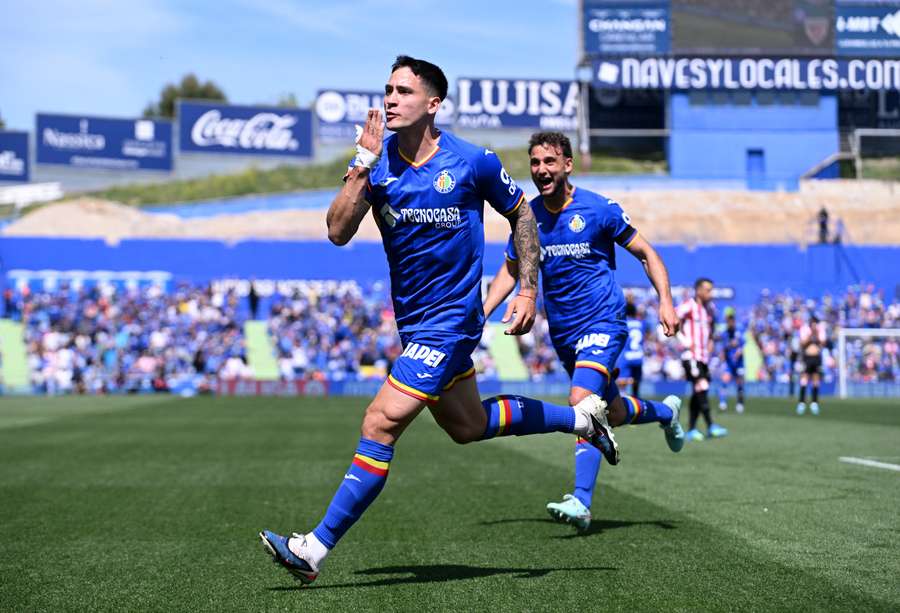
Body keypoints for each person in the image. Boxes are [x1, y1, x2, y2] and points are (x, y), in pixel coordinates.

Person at [258, 56, 617, 584]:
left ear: (433, 104)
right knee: (468, 427)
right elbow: (336, 230)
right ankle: (585, 418)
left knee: (379, 423)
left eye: (403, 90)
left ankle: (313, 548)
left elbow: (520, 213)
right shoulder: (376, 166)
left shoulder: (473, 162)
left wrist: (527, 287)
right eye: (387, 90)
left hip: (450, 323)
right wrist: (362, 160)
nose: (391, 99)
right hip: (414, 324)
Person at [483, 131, 684, 532]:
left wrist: (665, 299)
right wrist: (484, 310)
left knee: (582, 402)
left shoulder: (599, 209)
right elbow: (510, 269)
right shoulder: (529, 220)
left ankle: (581, 500)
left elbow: (647, 253)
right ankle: (666, 412)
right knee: (612, 410)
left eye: (549, 162)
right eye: (535, 163)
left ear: (567, 165)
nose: (541, 170)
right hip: (563, 333)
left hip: (603, 323)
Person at [677, 278, 728, 441]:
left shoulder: (710, 309)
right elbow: (670, 319)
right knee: (702, 386)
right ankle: (711, 426)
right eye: (707, 290)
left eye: (711, 290)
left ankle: (691, 430)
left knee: (698, 391)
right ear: (698, 290)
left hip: (703, 357)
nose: (710, 293)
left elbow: (712, 329)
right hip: (691, 356)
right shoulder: (688, 306)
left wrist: (711, 343)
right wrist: (684, 341)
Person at [717, 307, 746, 414]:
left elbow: (742, 344)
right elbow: (724, 347)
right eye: (727, 320)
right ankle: (722, 403)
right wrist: (725, 351)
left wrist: (738, 350)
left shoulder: (740, 330)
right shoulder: (725, 333)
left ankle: (740, 404)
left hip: (739, 363)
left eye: (730, 320)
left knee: (740, 383)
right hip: (729, 363)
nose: (729, 322)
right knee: (725, 380)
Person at [797, 313, 826, 415]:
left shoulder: (820, 330)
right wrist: (810, 335)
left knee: (815, 380)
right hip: (807, 357)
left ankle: (814, 403)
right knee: (804, 379)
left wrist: (816, 334)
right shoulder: (804, 330)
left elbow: (823, 343)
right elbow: (802, 344)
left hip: (816, 357)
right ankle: (801, 403)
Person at [619, 301, 645, 398]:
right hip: (638, 355)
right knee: (636, 383)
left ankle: (623, 403)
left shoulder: (623, 323)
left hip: (626, 356)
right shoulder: (641, 323)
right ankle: (636, 400)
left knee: (621, 383)